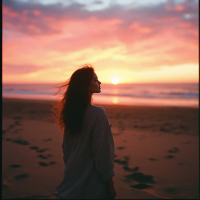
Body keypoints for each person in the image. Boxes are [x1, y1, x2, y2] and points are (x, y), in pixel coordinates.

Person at [53, 64, 116, 199]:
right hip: (92, 185)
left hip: (71, 180)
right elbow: (102, 154)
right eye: (95, 80)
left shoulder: (71, 113)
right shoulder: (98, 113)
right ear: (87, 86)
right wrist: (110, 184)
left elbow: (66, 150)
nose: (99, 82)